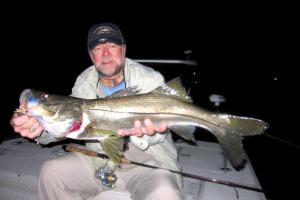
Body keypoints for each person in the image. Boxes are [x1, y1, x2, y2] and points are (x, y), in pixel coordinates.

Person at [10, 23, 183, 200]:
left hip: (148, 164)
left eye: (112, 46)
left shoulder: (148, 78)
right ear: (91, 54)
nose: (105, 53)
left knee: (164, 193)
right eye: (98, 48)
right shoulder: (84, 82)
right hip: (99, 160)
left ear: (123, 49)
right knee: (51, 172)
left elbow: (160, 135)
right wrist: (38, 128)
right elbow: (65, 123)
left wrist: (148, 133)